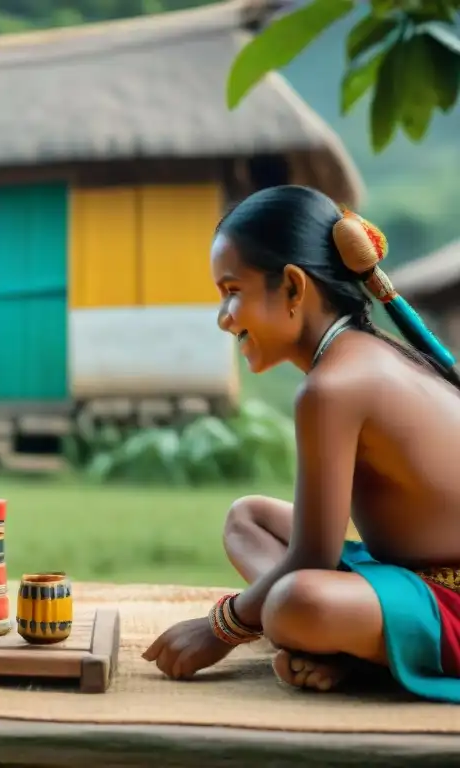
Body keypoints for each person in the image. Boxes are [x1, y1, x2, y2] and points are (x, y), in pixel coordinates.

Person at [143, 185, 460, 702]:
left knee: (295, 603)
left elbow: (313, 556)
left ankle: (338, 646)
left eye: (231, 289)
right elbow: (318, 547)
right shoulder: (365, 356)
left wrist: (219, 628)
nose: (224, 316)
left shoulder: (333, 387)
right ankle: (337, 647)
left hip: (449, 599)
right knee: (248, 519)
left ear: (292, 288)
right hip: (412, 575)